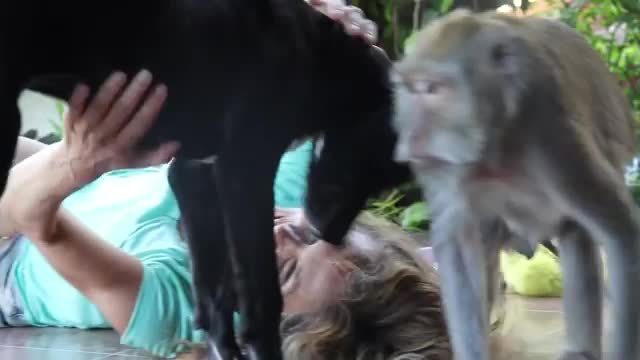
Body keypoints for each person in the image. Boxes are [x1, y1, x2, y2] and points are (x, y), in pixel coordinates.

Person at [0, 2, 452, 359]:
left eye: (285, 270)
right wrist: (324, 25)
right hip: (67, 173)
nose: (279, 233)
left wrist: (77, 160)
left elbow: (29, 217)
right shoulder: (282, 189)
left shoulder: (172, 309)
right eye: (308, 230)